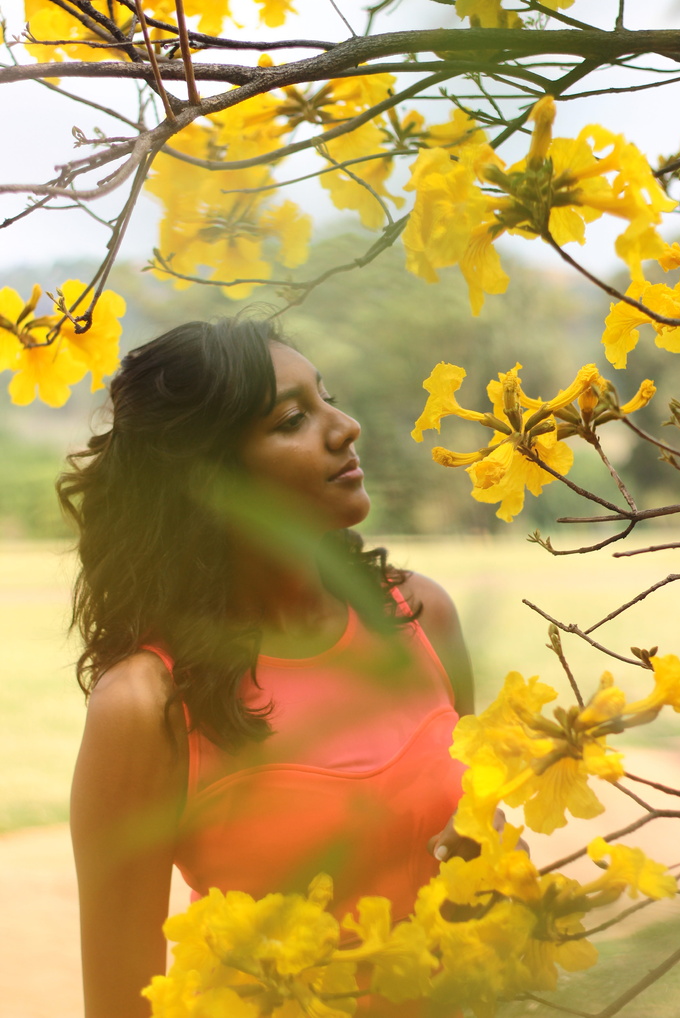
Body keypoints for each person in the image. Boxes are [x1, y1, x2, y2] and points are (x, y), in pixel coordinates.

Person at [60, 317, 475, 1018]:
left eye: (327, 398)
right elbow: (121, 1005)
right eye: (292, 419)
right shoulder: (147, 704)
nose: (345, 428)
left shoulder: (423, 616)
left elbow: (475, 855)